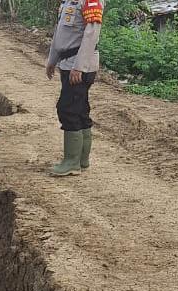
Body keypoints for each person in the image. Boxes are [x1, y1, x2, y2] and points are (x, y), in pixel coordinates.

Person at [45, 0, 103, 176]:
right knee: (79, 110)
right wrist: (52, 60)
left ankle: (72, 162)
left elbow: (92, 33)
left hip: (79, 66)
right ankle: (81, 160)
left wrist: (79, 66)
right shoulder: (68, 1)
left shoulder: (91, 1)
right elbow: (60, 33)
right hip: (67, 62)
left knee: (68, 109)